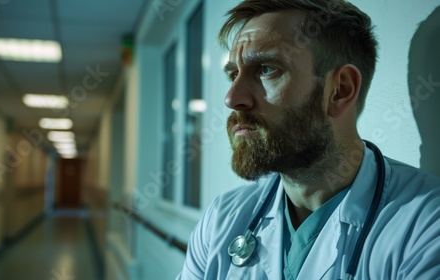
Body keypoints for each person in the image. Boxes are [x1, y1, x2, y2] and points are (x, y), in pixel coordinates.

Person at [177, 0, 440, 279]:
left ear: (340, 90)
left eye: (266, 69)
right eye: (233, 74)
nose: (231, 98)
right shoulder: (221, 220)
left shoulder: (426, 224)